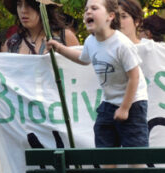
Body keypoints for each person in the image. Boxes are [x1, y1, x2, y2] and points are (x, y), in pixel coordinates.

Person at [47, 0, 148, 168]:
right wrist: (58, 48)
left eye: (94, 8)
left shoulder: (122, 45)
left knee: (135, 155)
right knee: (104, 150)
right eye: (86, 9)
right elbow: (82, 59)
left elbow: (134, 78)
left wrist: (125, 108)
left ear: (110, 16)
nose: (88, 12)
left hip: (133, 103)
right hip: (109, 103)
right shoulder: (90, 42)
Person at [2, 0, 79, 54]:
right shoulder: (11, 44)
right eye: (19, 4)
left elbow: (80, 70)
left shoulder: (65, 37)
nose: (23, 10)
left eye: (29, 4)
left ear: (42, 7)